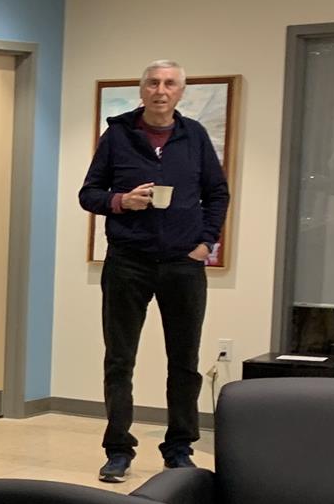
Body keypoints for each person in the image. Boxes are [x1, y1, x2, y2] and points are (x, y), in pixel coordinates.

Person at [78, 60, 230, 482]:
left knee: (184, 361)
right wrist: (120, 201)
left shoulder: (194, 136)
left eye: (169, 84)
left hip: (183, 264)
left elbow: (217, 193)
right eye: (153, 83)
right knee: (119, 360)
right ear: (142, 90)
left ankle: (179, 448)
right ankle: (118, 450)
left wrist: (206, 243)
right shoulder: (117, 136)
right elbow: (88, 193)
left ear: (181, 92)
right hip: (128, 262)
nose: (161, 90)